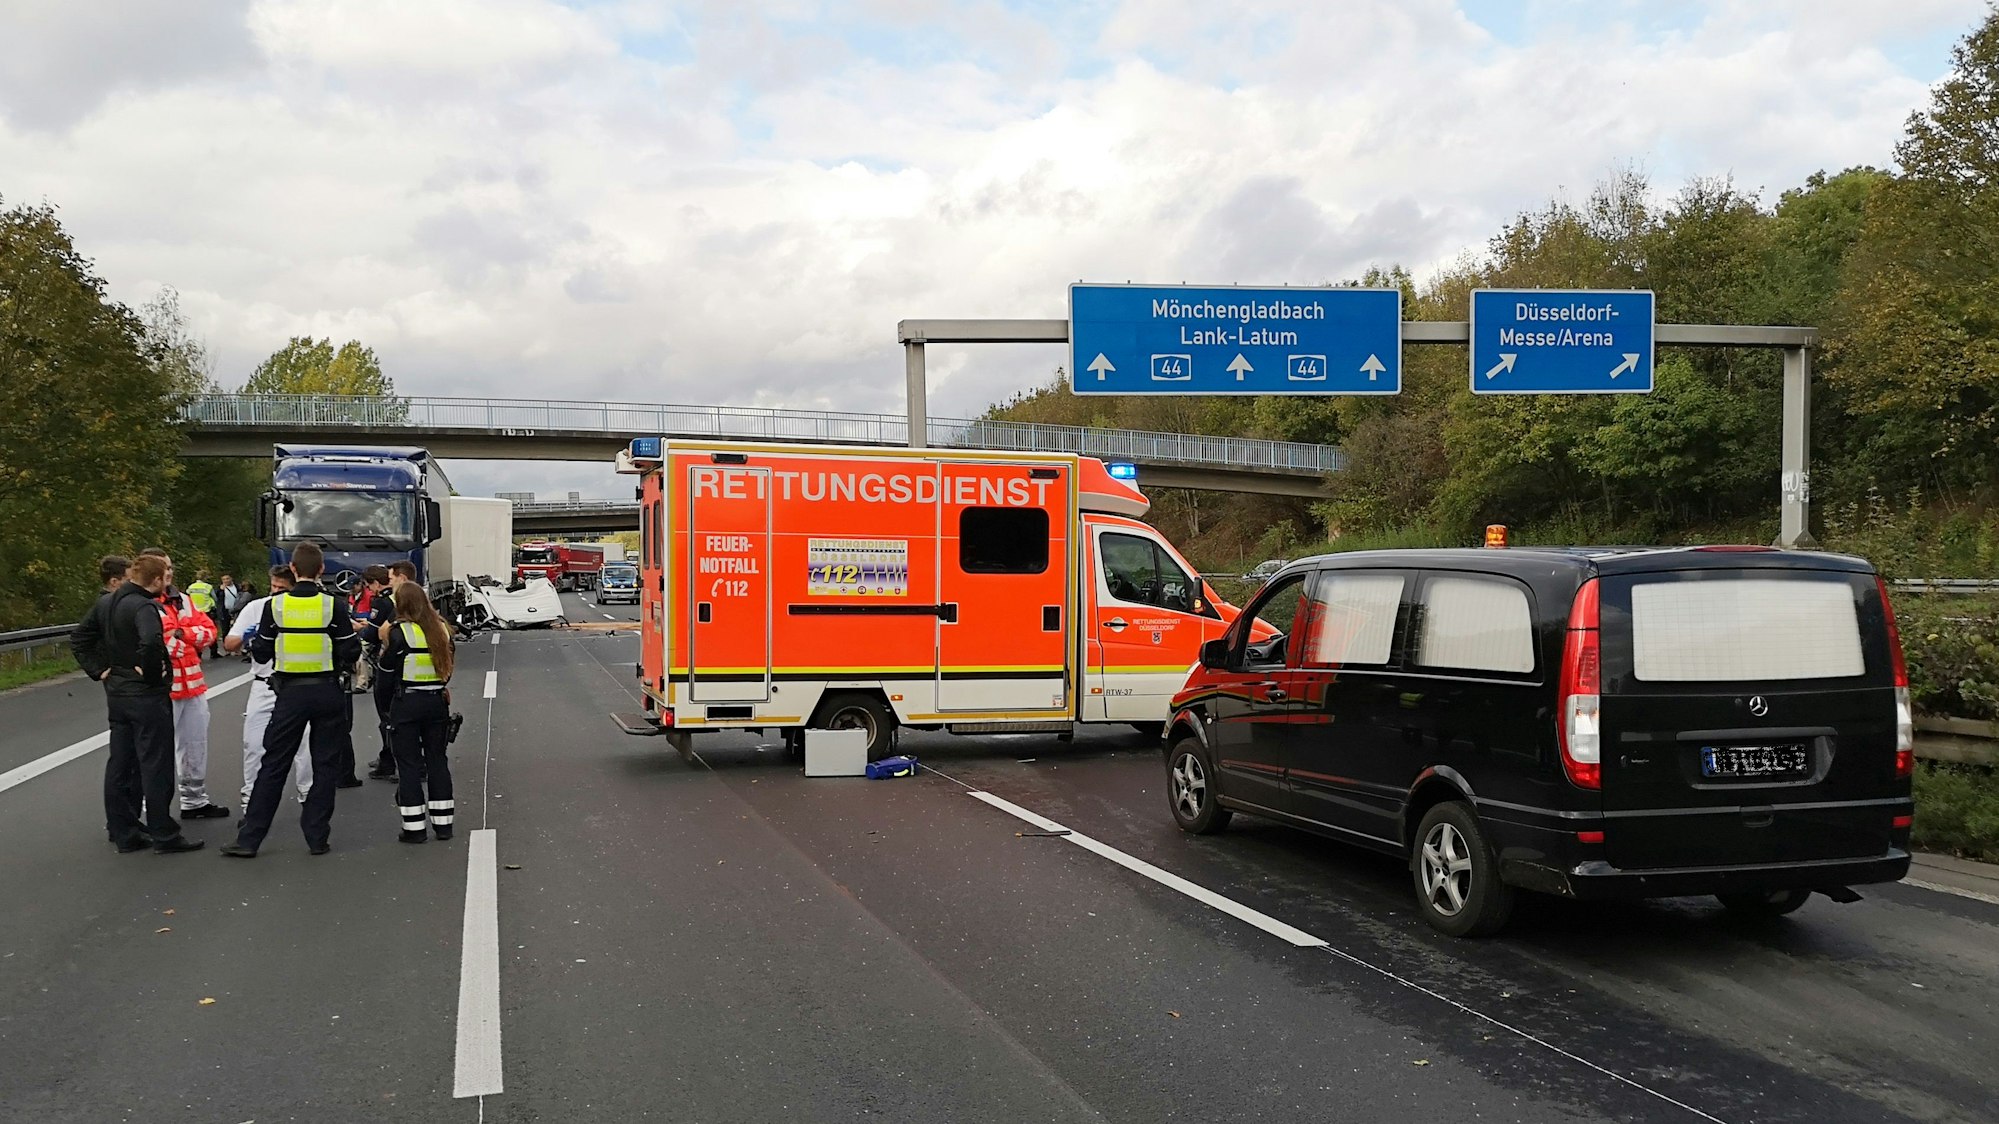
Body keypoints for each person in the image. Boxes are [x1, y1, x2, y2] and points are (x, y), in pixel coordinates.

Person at [221, 541, 359, 858]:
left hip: (289, 694)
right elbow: (350, 650)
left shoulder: (275, 607)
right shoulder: (333, 606)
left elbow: (262, 651)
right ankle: (316, 837)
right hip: (327, 691)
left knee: (273, 764)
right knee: (324, 766)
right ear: (321, 570)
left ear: (294, 570)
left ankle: (249, 839)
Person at [86, 555, 204, 853]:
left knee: (120, 764)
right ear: (154, 581)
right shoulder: (144, 606)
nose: (168, 582)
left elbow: (79, 637)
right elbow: (151, 642)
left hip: (118, 693)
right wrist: (153, 675)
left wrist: (100, 669)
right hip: (145, 696)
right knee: (156, 765)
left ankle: (123, 831)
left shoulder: (106, 602)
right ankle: (164, 833)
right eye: (165, 577)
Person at [147, 551, 229, 820]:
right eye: (163, 568)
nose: (168, 573)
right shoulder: (144, 602)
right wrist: (187, 638)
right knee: (157, 752)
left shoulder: (183, 599)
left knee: (195, 745)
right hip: (162, 690)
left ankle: (194, 801)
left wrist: (184, 634)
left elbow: (209, 633)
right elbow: (159, 643)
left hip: (193, 686)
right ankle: (151, 809)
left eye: (170, 567)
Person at [223, 566, 312, 812]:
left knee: (304, 746)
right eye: (273, 587)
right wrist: (248, 635)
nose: (275, 593)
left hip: (296, 684)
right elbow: (229, 643)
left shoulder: (306, 609)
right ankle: (250, 801)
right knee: (253, 744)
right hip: (264, 685)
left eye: (281, 589)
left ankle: (308, 795)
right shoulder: (256, 608)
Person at [72, 555, 143, 846]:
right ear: (115, 582)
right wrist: (100, 670)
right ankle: (122, 828)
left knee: (134, 758)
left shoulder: (118, 604)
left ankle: (129, 821)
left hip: (125, 686)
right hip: (121, 688)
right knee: (124, 759)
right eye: (128, 578)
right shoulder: (106, 605)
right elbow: (79, 639)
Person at [380, 581, 456, 842]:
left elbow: (386, 676)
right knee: (437, 760)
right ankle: (444, 825)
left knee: (409, 765)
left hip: (407, 704)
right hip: (436, 703)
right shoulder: (442, 630)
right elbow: (448, 667)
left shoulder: (398, 632)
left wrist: (385, 711)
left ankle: (414, 829)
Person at [366, 560, 418, 781]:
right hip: (417, 674)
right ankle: (389, 758)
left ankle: (398, 762)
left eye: (392, 577)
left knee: (389, 717)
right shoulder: (422, 605)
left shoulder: (391, 602)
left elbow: (379, 633)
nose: (389, 581)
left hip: (394, 667)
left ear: (402, 578)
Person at [351, 566, 389, 694]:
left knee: (362, 651)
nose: (369, 590)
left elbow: (372, 634)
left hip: (386, 647)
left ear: (377, 584)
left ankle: (363, 682)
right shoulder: (399, 596)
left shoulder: (380, 602)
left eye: (369, 586)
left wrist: (360, 629)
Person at [184, 571, 218, 657]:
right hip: (207, 610)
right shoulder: (208, 587)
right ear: (205, 577)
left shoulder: (191, 587)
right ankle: (213, 652)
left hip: (194, 611)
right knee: (211, 631)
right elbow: (215, 598)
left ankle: (198, 653)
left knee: (197, 632)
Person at [213, 573, 240, 658]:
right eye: (224, 579)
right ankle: (227, 649)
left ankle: (237, 648)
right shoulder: (219, 588)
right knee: (225, 630)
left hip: (235, 610)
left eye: (227, 579)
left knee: (237, 629)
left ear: (231, 578)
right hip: (224, 611)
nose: (226, 581)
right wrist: (221, 590)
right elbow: (216, 599)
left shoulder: (237, 587)